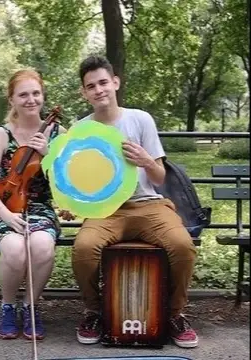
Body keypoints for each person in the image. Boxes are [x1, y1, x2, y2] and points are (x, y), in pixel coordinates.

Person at [71, 55, 198, 348]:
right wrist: (74, 204)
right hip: (105, 210)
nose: (99, 89)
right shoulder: (80, 129)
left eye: (103, 82)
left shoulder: (140, 119)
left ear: (115, 83)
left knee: (182, 247)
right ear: (84, 92)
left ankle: (175, 314)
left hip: (150, 206)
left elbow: (158, 178)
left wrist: (145, 160)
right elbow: (79, 182)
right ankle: (94, 311)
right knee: (83, 249)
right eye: (91, 86)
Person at [0, 69, 66, 340]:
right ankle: (7, 306)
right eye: (23, 94)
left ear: (43, 96)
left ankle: (30, 305)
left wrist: (48, 155)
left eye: (36, 93)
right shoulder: (2, 134)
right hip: (3, 207)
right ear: (12, 100)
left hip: (39, 207)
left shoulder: (59, 133)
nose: (31, 100)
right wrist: (6, 216)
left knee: (41, 246)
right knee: (15, 249)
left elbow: (65, 184)